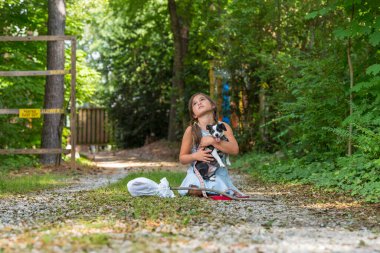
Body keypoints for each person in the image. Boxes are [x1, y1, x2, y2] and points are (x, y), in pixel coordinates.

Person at [178, 92, 246, 198]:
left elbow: (234, 150)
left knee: (218, 188)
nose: (199, 103)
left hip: (218, 173)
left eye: (202, 99)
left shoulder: (223, 126)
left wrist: (212, 141)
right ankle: (203, 189)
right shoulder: (191, 130)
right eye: (195, 103)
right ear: (194, 115)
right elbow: (182, 158)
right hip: (197, 174)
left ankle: (212, 189)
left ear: (213, 105)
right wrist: (196, 156)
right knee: (195, 189)